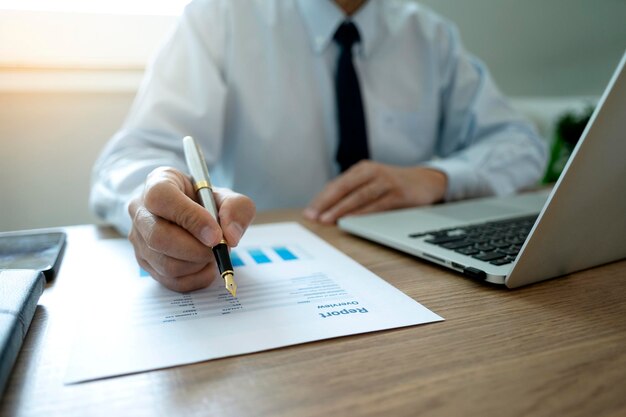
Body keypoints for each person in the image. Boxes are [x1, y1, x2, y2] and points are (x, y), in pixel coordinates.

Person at [90, 0, 547, 292]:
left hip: (416, 281)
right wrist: (153, 201)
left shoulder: (430, 36)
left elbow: (520, 144)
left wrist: (437, 178)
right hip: (275, 280)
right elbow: (132, 159)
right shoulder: (220, 16)